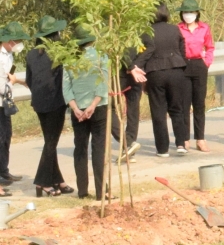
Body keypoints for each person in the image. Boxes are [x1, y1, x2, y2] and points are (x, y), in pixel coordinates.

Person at [131, 3, 188, 158]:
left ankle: (162, 149)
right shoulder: (175, 29)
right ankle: (181, 144)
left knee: (158, 111)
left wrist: (137, 67)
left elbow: (144, 53)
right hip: (176, 70)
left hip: (155, 72)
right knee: (177, 108)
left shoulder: (147, 31)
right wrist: (180, 64)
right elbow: (183, 50)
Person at [63, 28, 109, 200]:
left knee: (80, 148)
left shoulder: (69, 59)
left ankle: (82, 190)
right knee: (98, 149)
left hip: (78, 111)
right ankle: (101, 191)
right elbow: (103, 83)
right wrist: (93, 105)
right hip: (98, 107)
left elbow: (66, 88)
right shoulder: (101, 56)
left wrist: (75, 108)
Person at [28, 16, 71, 196]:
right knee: (51, 143)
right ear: (54, 34)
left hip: (39, 103)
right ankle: (42, 182)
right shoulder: (58, 52)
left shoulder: (31, 54)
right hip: (55, 102)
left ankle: (57, 180)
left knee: (49, 142)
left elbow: (30, 80)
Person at [177, 0, 214, 153]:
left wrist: (207, 62)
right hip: (184, 66)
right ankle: (185, 138)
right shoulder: (178, 28)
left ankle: (200, 138)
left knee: (199, 103)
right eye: (185, 12)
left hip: (199, 65)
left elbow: (210, 47)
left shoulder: (204, 28)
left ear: (197, 13)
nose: (188, 15)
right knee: (184, 104)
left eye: (191, 12)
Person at [0, 22, 29, 192]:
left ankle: (4, 170)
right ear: (9, 40)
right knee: (0, 138)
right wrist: (12, 83)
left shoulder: (9, 55)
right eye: (17, 40)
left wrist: (16, 81)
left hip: (4, 102)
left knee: (6, 137)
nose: (19, 44)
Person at [111, 37, 143, 164]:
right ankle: (129, 148)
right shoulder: (143, 30)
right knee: (133, 111)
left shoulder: (119, 31)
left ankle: (128, 145)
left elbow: (119, 49)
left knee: (108, 108)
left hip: (122, 73)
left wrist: (131, 67)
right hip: (136, 71)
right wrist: (136, 66)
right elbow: (150, 48)